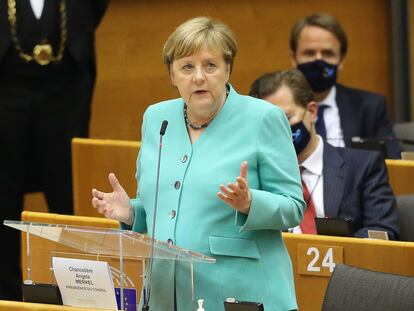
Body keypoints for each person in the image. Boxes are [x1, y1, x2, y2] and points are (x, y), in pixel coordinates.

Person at [92, 17, 305, 311]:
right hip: (167, 296)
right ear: (172, 75)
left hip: (242, 294)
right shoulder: (157, 118)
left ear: (228, 69)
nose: (199, 77)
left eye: (210, 65)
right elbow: (163, 208)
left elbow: (293, 207)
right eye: (187, 67)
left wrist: (250, 202)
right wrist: (132, 212)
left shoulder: (263, 118)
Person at [0, 0, 108, 300]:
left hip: (65, 93)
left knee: (67, 195)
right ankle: (6, 296)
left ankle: (76, 293)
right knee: (3, 198)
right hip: (6, 90)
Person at [249, 69, 399, 239]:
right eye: (268, 123)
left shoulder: (363, 165)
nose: (278, 129)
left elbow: (383, 231)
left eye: (286, 118)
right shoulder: (252, 174)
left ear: (312, 112)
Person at [289, 13, 401, 159]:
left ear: (340, 60)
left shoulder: (370, 107)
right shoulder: (277, 109)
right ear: (294, 59)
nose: (318, 60)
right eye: (309, 53)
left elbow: (392, 164)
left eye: (327, 53)